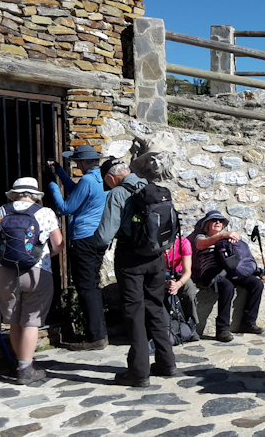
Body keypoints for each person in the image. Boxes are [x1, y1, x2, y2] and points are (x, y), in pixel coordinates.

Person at [86, 158, 175, 387]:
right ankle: (167, 362)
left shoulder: (117, 194)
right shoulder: (150, 187)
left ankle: (139, 372)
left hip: (131, 258)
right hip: (157, 257)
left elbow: (104, 236)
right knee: (155, 307)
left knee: (134, 312)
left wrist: (88, 243)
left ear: (111, 177)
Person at [0, 178, 64, 384]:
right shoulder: (46, 213)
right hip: (37, 272)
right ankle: (25, 369)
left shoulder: (0, 212)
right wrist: (39, 256)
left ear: (14, 194)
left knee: (14, 320)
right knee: (31, 320)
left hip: (5, 273)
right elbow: (58, 245)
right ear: (35, 195)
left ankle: (21, 362)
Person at [46, 145, 108, 351]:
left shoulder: (87, 180)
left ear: (83, 162)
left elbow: (66, 208)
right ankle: (100, 333)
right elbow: (76, 192)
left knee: (86, 288)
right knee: (92, 286)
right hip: (96, 238)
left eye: (76, 162)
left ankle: (96, 337)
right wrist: (59, 172)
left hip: (83, 239)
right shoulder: (99, 179)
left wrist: (52, 185)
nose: (77, 166)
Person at [193, 210, 265, 342]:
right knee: (227, 287)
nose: (217, 222)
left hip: (231, 271)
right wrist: (224, 236)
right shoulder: (201, 237)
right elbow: (201, 244)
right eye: (214, 220)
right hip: (211, 272)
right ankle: (222, 329)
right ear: (207, 224)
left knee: (257, 284)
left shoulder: (227, 238)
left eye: (220, 221)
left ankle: (248, 322)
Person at [165, 235, 200, 333]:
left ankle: (191, 325)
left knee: (190, 288)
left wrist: (178, 284)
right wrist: (164, 283)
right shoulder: (155, 244)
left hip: (178, 274)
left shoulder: (183, 243)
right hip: (159, 276)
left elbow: (187, 271)